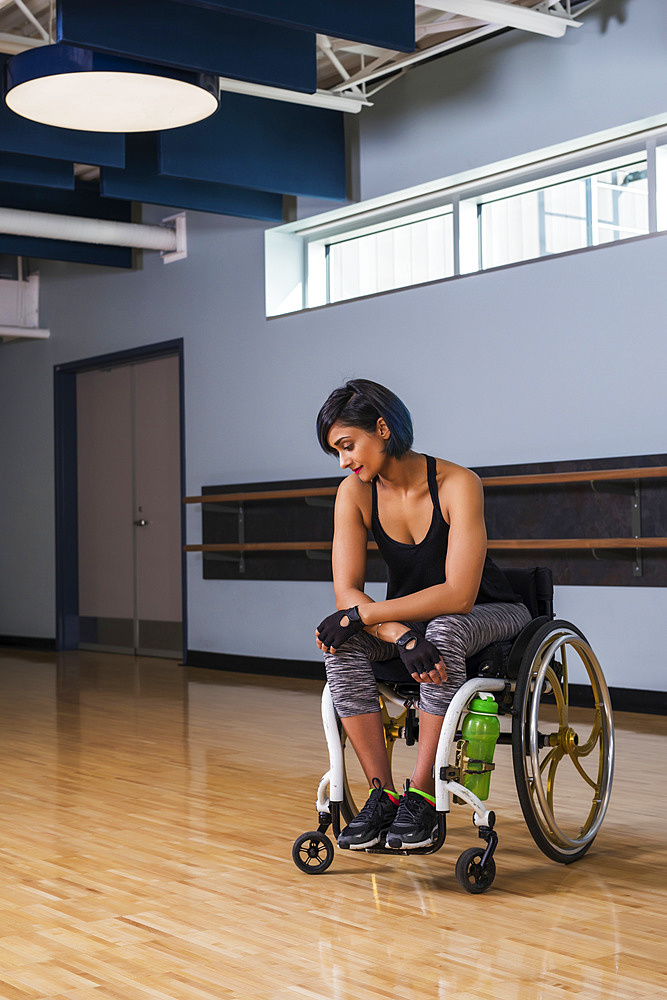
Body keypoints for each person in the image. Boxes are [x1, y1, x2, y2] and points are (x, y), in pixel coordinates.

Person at [315, 379, 531, 852]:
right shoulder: (353, 493)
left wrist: (361, 614)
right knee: (343, 644)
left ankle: (423, 791)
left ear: (382, 427)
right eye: (336, 452)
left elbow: (458, 595)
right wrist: (397, 634)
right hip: (412, 622)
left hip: (493, 610)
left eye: (348, 446)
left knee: (444, 628)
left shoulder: (458, 483)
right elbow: (346, 590)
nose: (344, 462)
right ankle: (381, 794)